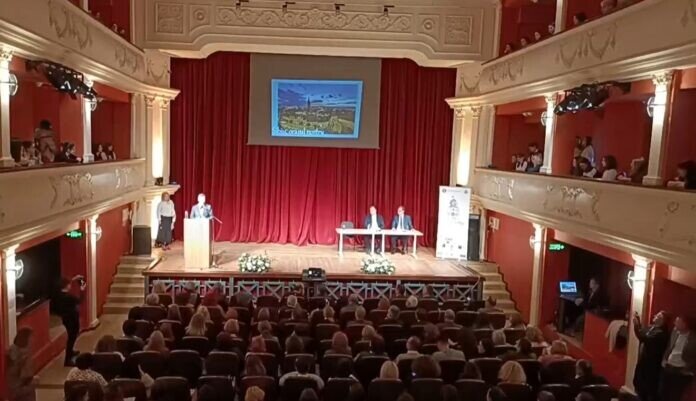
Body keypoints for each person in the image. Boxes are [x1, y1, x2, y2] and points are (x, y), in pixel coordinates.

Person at [632, 311, 670, 401]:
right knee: (639, 383)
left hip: (652, 364)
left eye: (658, 316)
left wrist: (636, 325)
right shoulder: (651, 327)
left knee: (648, 388)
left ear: (662, 320)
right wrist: (638, 321)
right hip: (644, 361)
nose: (655, 316)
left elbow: (644, 338)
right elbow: (642, 332)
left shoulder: (661, 333)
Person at [659, 315, 696, 401]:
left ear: (685, 324)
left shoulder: (694, 337)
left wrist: (690, 369)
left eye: (678, 322)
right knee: (663, 392)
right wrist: (664, 359)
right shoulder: (674, 332)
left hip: (681, 370)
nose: (674, 323)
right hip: (669, 366)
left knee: (675, 395)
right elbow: (669, 347)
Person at [54, 275, 87, 366]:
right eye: (69, 284)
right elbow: (80, 301)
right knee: (72, 337)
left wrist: (73, 279)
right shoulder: (68, 297)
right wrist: (82, 290)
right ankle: (67, 359)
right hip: (72, 319)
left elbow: (65, 285)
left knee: (71, 336)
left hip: (66, 318)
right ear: (66, 286)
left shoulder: (58, 294)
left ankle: (71, 352)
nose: (70, 286)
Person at [6, 328, 36, 401]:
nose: (33, 342)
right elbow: (15, 389)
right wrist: (33, 384)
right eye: (31, 339)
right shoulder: (18, 360)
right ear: (25, 340)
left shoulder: (21, 355)